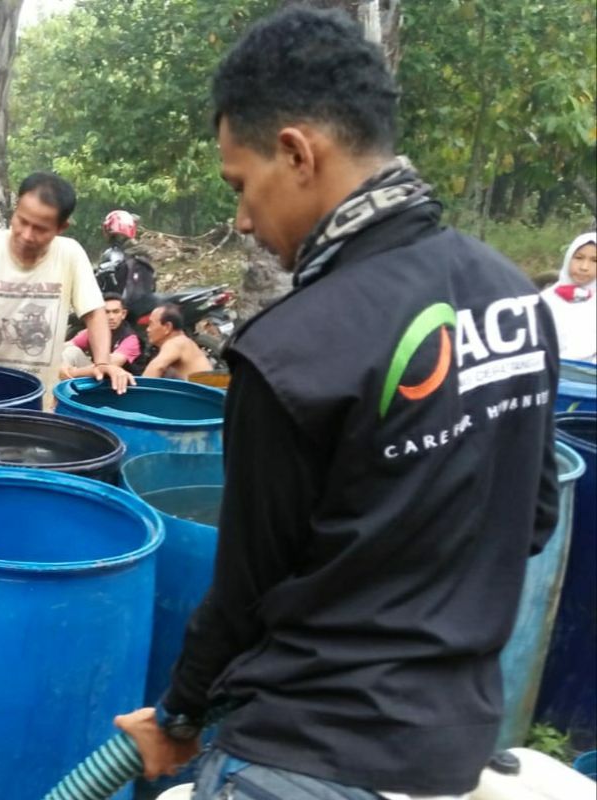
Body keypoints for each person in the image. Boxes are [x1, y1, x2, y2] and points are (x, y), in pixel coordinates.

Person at [114, 9, 559, 800]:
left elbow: (243, 594)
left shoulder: (292, 350)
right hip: (457, 737)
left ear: (296, 153)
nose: (245, 220)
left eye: (242, 186)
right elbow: (532, 521)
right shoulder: (513, 296)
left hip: (311, 751)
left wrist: (179, 714)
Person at [0, 172, 131, 394]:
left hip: (38, 397)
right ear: (16, 210)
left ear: (61, 227)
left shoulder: (70, 254)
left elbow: (94, 312)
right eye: (22, 221)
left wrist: (102, 363)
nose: (27, 235)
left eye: (40, 228)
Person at [539, 232, 596, 363]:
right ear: (568, 258)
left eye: (594, 260)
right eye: (579, 258)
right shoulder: (545, 300)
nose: (584, 267)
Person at [59, 293, 141, 379]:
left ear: (123, 314)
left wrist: (73, 372)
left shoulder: (131, 338)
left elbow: (107, 366)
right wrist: (63, 365)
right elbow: (65, 347)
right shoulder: (93, 331)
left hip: (120, 383)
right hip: (96, 376)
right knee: (71, 351)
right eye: (106, 312)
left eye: (116, 312)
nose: (111, 317)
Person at [142, 303, 212, 379]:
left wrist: (139, 390)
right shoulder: (184, 341)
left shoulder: (176, 342)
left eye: (151, 324)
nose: (148, 329)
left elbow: (156, 367)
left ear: (167, 327)